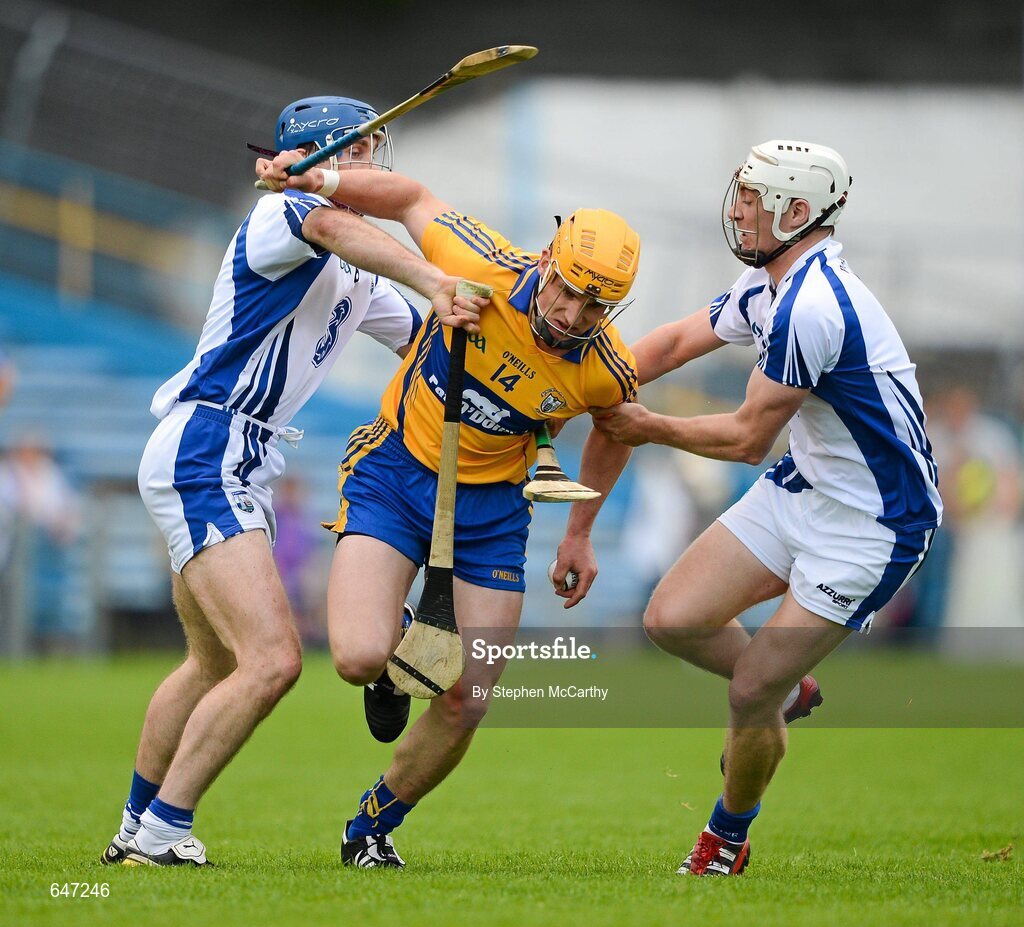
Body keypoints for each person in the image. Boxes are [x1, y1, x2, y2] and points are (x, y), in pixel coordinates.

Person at [101, 96, 484, 868]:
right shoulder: (285, 218)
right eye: (362, 150)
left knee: (211, 663)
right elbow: (338, 224)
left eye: (376, 149)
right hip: (208, 446)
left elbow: (424, 342)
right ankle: (163, 832)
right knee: (272, 661)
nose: (376, 165)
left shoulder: (355, 272)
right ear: (319, 158)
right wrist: (431, 271)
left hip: (241, 457)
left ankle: (133, 828)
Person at [554, 140, 942, 876]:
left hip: (874, 524)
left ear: (798, 213)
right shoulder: (767, 283)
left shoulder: (812, 305)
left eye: (752, 199)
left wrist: (647, 425)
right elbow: (669, 342)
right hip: (807, 486)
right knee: (671, 618)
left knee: (747, 690)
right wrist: (578, 384)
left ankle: (725, 838)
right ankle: (787, 686)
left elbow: (745, 439)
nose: (737, 209)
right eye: (740, 192)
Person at [258, 150, 641, 868]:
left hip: (492, 514)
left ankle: (372, 825)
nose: (572, 313)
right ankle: (393, 655)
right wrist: (325, 181)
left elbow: (617, 429)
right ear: (548, 259)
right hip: (397, 473)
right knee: (358, 655)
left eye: (596, 305)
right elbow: (408, 195)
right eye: (566, 290)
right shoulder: (481, 259)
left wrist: (579, 534)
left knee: (468, 694)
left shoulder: (603, 366)